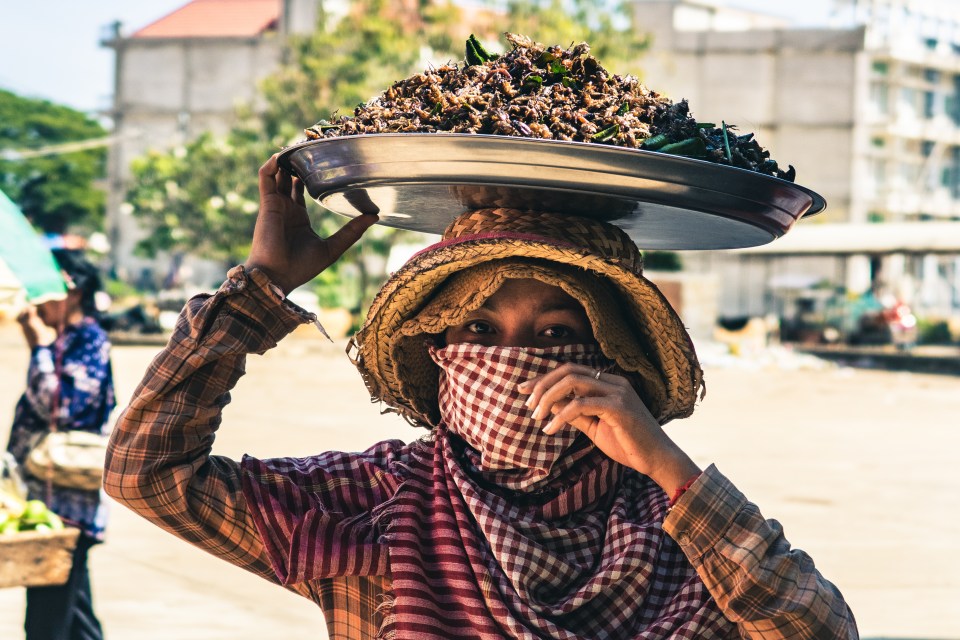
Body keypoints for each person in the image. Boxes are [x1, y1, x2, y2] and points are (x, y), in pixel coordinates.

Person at [104, 155, 859, 638]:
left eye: (556, 330)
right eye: (479, 328)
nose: (513, 361)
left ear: (611, 360)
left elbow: (818, 633)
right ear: (441, 353)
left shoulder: (678, 526)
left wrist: (670, 470)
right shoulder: (377, 499)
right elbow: (148, 475)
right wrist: (258, 291)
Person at [7, 248, 115, 640]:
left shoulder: (88, 339)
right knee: (74, 615)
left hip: (66, 499)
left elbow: (62, 406)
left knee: (46, 620)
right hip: (48, 497)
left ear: (70, 289)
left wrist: (38, 347)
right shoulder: (65, 339)